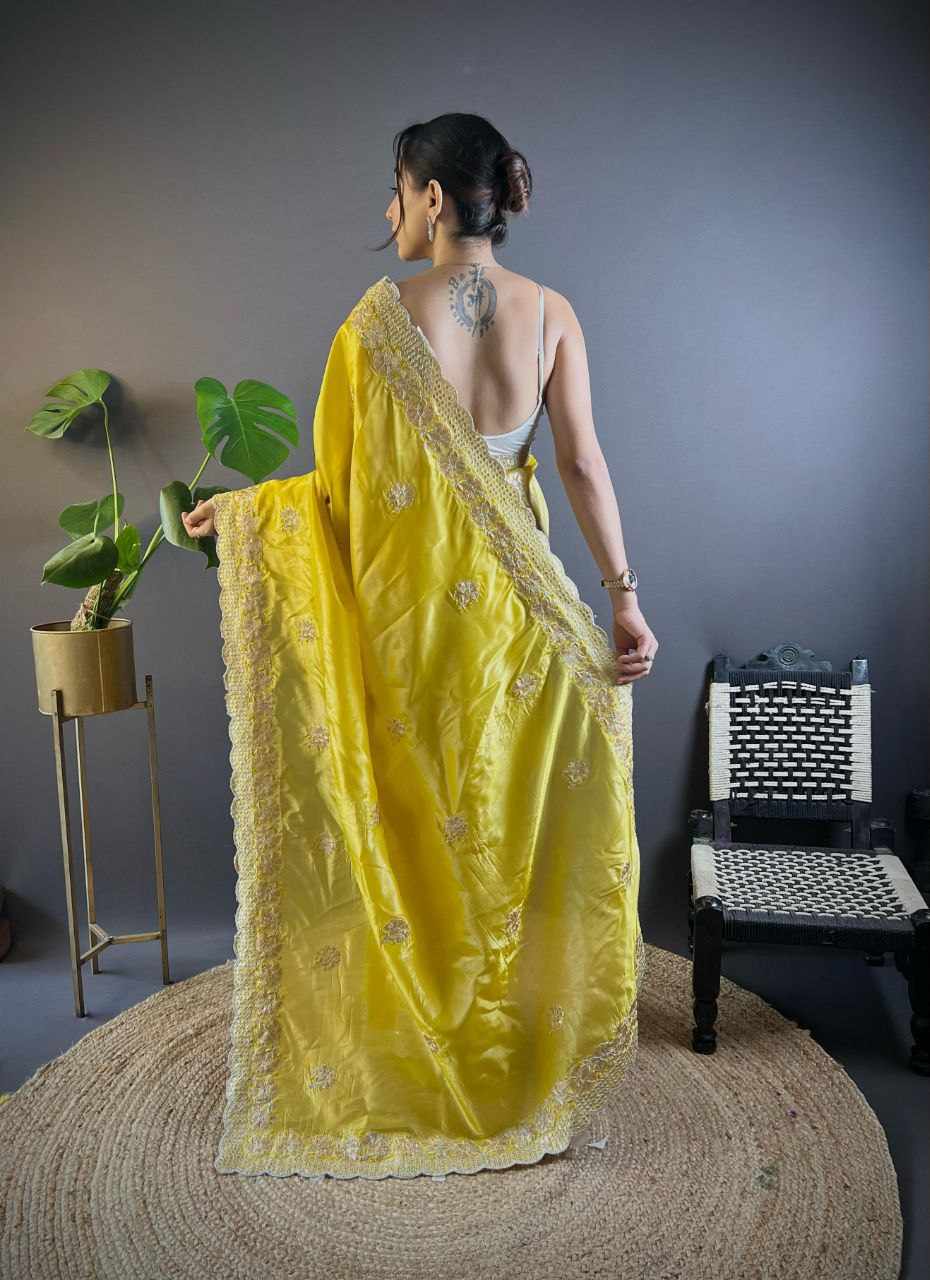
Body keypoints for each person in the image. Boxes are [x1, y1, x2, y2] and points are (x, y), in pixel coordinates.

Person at [183, 112, 657, 1181]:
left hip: (419, 638)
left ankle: (432, 1049)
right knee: (501, 830)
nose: (388, 211)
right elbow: (582, 464)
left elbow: (342, 496)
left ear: (434, 198)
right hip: (525, 623)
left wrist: (250, 515)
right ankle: (511, 1059)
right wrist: (624, 601)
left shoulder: (376, 323)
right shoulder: (552, 314)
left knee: (427, 832)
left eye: (396, 191)